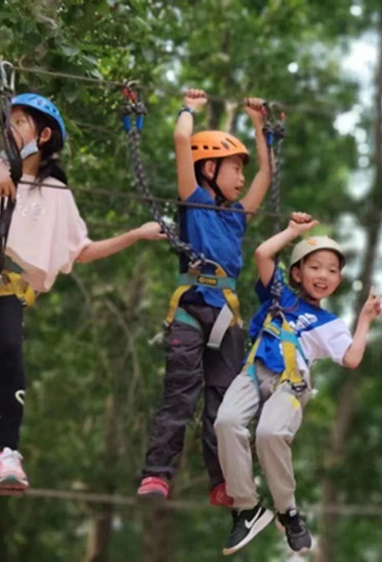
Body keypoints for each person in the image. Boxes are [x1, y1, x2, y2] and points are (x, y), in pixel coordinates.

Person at [0, 93, 163, 492]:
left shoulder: (55, 194)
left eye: (19, 123)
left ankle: (7, 452)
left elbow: (79, 250)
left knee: (10, 353)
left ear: (43, 135)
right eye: (7, 122)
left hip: (5, 279)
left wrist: (134, 235)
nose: (8, 129)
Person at [214, 212, 382, 555]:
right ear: (297, 273)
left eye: (332, 270)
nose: (324, 275)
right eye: (315, 266)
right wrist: (292, 232)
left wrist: (364, 320)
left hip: (291, 382)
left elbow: (351, 359)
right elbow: (263, 254)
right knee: (226, 422)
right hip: (254, 371)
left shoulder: (328, 323)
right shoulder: (279, 296)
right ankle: (247, 507)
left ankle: (288, 512)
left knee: (270, 434)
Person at [137, 89, 271, 506]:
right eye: (234, 169)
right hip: (192, 309)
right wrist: (187, 110)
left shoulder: (236, 217)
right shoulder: (193, 201)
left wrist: (259, 126)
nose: (242, 178)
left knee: (223, 401)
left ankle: (222, 480)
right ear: (209, 168)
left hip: (226, 316)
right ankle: (158, 475)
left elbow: (266, 175)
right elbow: (181, 142)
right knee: (181, 392)